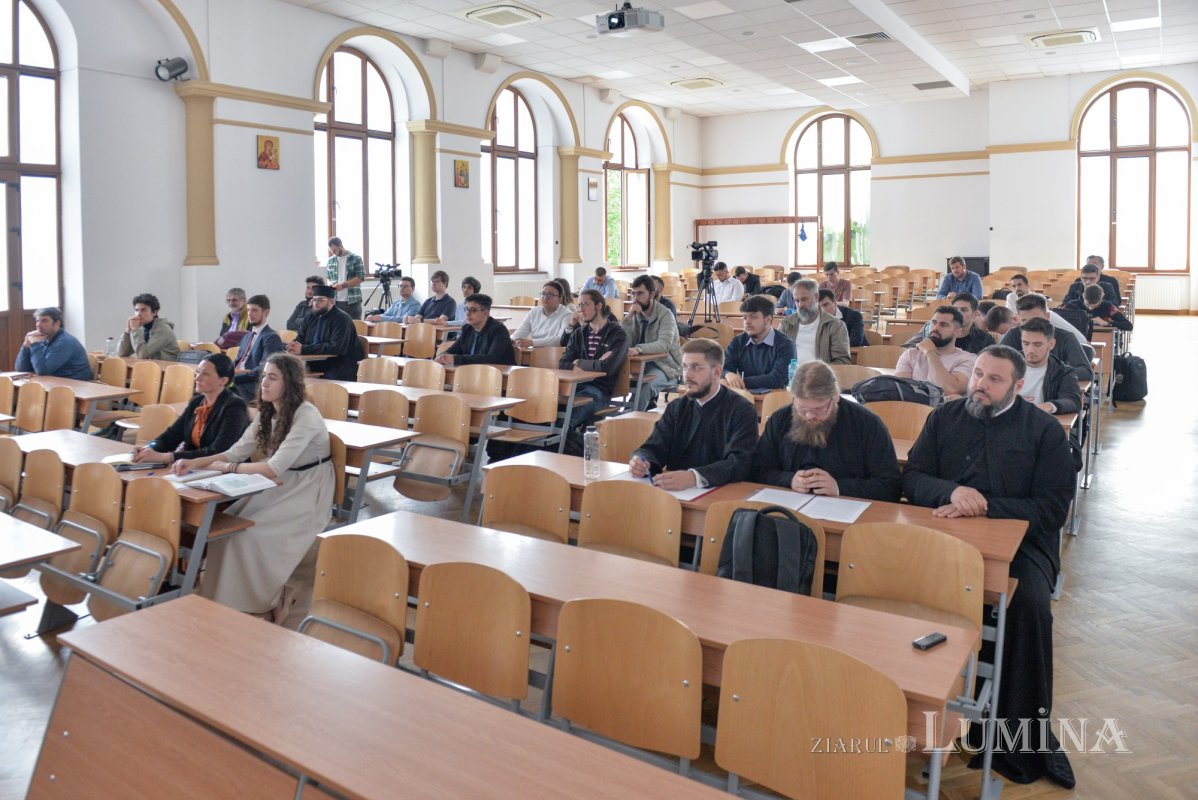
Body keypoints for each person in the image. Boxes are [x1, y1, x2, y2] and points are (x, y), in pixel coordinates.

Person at [903, 345, 1075, 790]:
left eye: (993, 379)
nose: (980, 384)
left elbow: (1052, 509)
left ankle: (1012, 740)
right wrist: (953, 490)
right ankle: (907, 718)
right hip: (944, 539)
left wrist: (982, 506)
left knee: (1028, 609)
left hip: (1022, 547)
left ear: (1018, 386)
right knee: (894, 591)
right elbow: (913, 478)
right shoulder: (945, 417)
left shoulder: (1044, 431)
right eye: (978, 373)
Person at [175, 353, 335, 623]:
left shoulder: (306, 415)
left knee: (251, 534)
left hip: (307, 488)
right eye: (264, 377)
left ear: (291, 383)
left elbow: (273, 467)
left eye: (272, 378)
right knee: (228, 524)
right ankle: (223, 597)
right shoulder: (269, 410)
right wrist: (191, 462)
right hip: (280, 484)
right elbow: (235, 452)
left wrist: (226, 469)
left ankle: (263, 601)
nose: (264, 383)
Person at [754, 360, 901, 501]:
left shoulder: (867, 424)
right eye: (802, 409)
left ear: (835, 396)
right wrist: (789, 480)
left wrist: (839, 487)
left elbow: (890, 487)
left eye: (819, 409)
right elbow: (759, 470)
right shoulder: (780, 420)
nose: (810, 416)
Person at [629, 339, 757, 490]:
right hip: (674, 494)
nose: (687, 375)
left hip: (720, 496)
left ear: (716, 372)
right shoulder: (676, 408)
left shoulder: (742, 410)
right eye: (684, 367)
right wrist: (643, 462)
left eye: (696, 367)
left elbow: (739, 462)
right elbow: (653, 447)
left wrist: (694, 477)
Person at [132, 353, 250, 465]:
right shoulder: (197, 402)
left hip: (225, 471)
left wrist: (167, 457)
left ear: (223, 380)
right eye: (198, 372)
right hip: (192, 467)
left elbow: (218, 451)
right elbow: (171, 436)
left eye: (205, 374)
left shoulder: (235, 406)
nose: (197, 378)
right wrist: (149, 448)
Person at [559, 288, 628, 434]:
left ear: (599, 306)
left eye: (585, 304)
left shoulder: (617, 334)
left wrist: (578, 362)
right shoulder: (579, 333)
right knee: (549, 413)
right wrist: (594, 364)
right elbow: (563, 363)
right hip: (575, 387)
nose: (581, 309)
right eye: (579, 305)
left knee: (562, 422)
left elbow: (608, 368)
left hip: (599, 391)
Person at [621, 274, 681, 410]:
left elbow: (664, 345)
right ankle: (621, 419)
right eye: (633, 294)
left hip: (665, 367)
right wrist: (628, 318)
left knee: (644, 388)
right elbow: (623, 342)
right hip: (638, 365)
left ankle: (629, 423)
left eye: (640, 294)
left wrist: (638, 349)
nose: (636, 298)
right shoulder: (634, 314)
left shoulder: (665, 314)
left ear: (652, 294)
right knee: (611, 381)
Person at [1001, 294, 1092, 381]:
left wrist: (1049, 374)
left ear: (1047, 316)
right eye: (1025, 321)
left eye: (1036, 319)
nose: (1031, 325)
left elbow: (1085, 372)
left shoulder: (1066, 337)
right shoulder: (1014, 334)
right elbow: (997, 363)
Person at [285, 284, 362, 380]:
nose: (315, 303)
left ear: (331, 302)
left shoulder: (342, 319)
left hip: (339, 366)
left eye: (320, 300)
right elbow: (301, 337)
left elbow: (336, 348)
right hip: (315, 362)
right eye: (314, 300)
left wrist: (303, 349)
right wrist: (293, 345)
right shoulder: (310, 316)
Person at [894, 306, 976, 395]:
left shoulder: (968, 359)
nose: (935, 328)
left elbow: (950, 390)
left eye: (943, 325)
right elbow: (900, 391)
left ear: (957, 332)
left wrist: (930, 353)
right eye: (934, 322)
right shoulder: (911, 354)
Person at [723, 295, 796, 392]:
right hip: (743, 397)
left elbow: (776, 379)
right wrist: (728, 374)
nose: (747, 322)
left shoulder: (785, 345)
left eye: (753, 317)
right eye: (744, 318)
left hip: (775, 399)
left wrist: (738, 381)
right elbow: (724, 368)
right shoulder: (737, 341)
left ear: (768, 320)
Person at [1017, 317, 1082, 416]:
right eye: (1025, 343)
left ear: (1051, 344)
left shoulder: (1063, 372)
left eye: (1037, 344)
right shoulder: (1006, 366)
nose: (1030, 350)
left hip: (1041, 425)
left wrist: (1049, 406)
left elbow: (1073, 401)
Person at [777, 279, 850, 365]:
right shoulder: (786, 323)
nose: (800, 305)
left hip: (821, 376)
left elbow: (842, 362)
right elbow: (777, 356)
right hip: (790, 376)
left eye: (804, 299)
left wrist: (814, 372)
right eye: (797, 301)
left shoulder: (835, 325)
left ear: (816, 297)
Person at [15, 307, 92, 380]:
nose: (38, 325)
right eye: (37, 321)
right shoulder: (43, 339)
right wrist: (26, 346)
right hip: (56, 382)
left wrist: (35, 345)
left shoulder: (64, 342)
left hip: (77, 385)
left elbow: (42, 371)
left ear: (57, 323)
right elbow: (21, 369)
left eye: (44, 321)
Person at [436, 293, 515, 366]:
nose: (467, 313)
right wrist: (442, 356)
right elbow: (453, 350)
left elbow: (492, 358)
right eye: (466, 309)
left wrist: (456, 359)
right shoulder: (467, 329)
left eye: (473, 310)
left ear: (485, 313)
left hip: (497, 374)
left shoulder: (498, 330)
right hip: (472, 372)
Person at [232, 294, 284, 400]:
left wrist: (233, 377)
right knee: (205, 385)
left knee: (221, 394)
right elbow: (237, 362)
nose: (250, 314)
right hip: (237, 380)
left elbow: (264, 369)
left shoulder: (271, 337)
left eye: (254, 310)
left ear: (266, 312)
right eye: (248, 310)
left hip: (252, 385)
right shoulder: (247, 336)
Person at [902, 292, 991, 354]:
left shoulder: (984, 339)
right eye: (955, 309)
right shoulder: (933, 329)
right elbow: (906, 348)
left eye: (964, 310)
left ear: (975, 315)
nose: (959, 313)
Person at [117, 292, 180, 361]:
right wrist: (128, 330)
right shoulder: (141, 328)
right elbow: (121, 353)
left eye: (143, 310)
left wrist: (135, 330)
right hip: (151, 367)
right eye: (136, 310)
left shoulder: (163, 329)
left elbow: (142, 354)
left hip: (167, 369)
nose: (138, 314)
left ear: (154, 312)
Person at [512, 281, 573, 348]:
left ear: (560, 299)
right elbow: (519, 334)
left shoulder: (567, 315)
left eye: (550, 295)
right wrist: (511, 340)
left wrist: (531, 342)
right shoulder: (534, 312)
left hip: (555, 354)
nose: (545, 297)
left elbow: (560, 340)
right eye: (543, 294)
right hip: (534, 353)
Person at [325, 236, 365, 319]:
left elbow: (360, 277)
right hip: (336, 301)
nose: (334, 253)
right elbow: (328, 277)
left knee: (355, 328)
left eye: (335, 250)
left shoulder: (356, 258)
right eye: (331, 251)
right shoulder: (330, 260)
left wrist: (343, 285)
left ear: (341, 246)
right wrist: (330, 284)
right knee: (338, 329)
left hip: (353, 301)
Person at [1066, 284, 1133, 332]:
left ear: (1101, 300)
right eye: (1087, 304)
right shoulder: (1072, 305)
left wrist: (1107, 323)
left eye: (1094, 305)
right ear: (1083, 297)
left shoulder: (1107, 306)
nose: (1090, 308)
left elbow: (1128, 326)